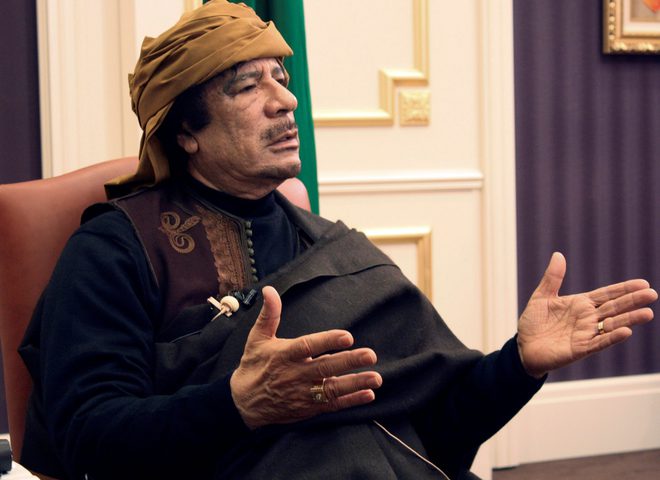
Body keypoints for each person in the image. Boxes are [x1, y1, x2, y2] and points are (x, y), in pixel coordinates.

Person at [18, 1, 657, 479]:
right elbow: (86, 438)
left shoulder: (332, 248)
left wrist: (520, 363)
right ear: (185, 132)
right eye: (249, 86)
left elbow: (431, 430)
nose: (285, 101)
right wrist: (237, 405)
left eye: (280, 77)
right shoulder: (113, 250)